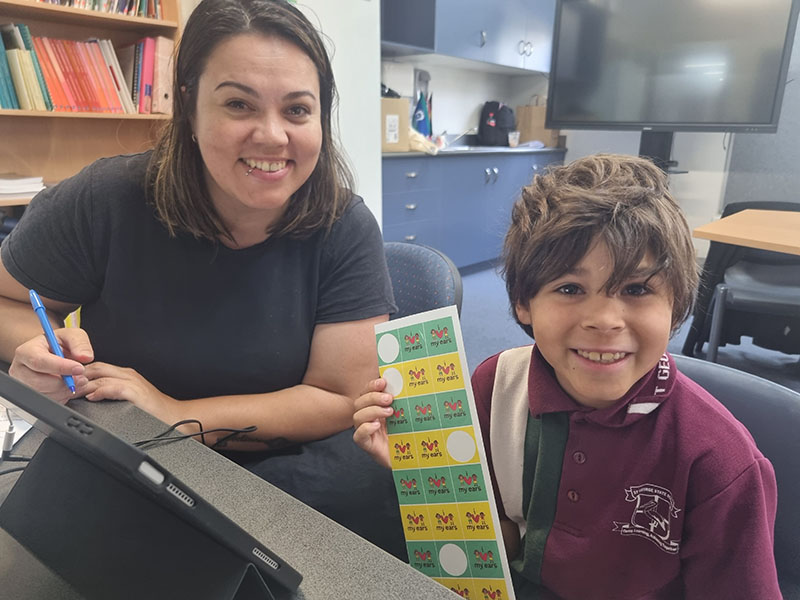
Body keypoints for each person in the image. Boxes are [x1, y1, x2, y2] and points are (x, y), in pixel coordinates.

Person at [0, 0, 406, 557]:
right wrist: (42, 350)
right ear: (188, 105)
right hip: (130, 455)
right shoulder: (107, 199)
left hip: (283, 466)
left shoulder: (344, 224)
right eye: (239, 104)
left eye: (297, 110)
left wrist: (173, 415)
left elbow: (337, 396)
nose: (272, 136)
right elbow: (8, 301)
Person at [354, 154, 781, 598]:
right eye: (570, 289)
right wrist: (425, 470)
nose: (603, 319)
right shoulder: (495, 387)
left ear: (676, 306)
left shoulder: (722, 462)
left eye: (636, 289)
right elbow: (500, 541)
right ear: (524, 303)